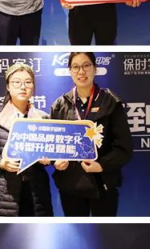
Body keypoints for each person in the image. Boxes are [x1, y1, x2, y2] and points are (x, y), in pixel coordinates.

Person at [50, 52, 133, 216]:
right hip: (71, 186)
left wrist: (101, 165)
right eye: (75, 67)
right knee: (76, 230)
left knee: (104, 230)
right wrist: (56, 162)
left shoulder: (110, 102)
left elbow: (124, 148)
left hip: (103, 183)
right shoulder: (59, 106)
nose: (81, 72)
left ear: (95, 68)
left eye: (86, 66)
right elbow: (52, 146)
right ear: (70, 71)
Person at [0, 62, 53, 217]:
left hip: (35, 193)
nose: (23, 87)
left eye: (28, 82)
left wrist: (48, 159)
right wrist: (1, 163)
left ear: (33, 87)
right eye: (17, 82)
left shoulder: (43, 118)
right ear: (8, 86)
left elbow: (52, 153)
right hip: (0, 191)